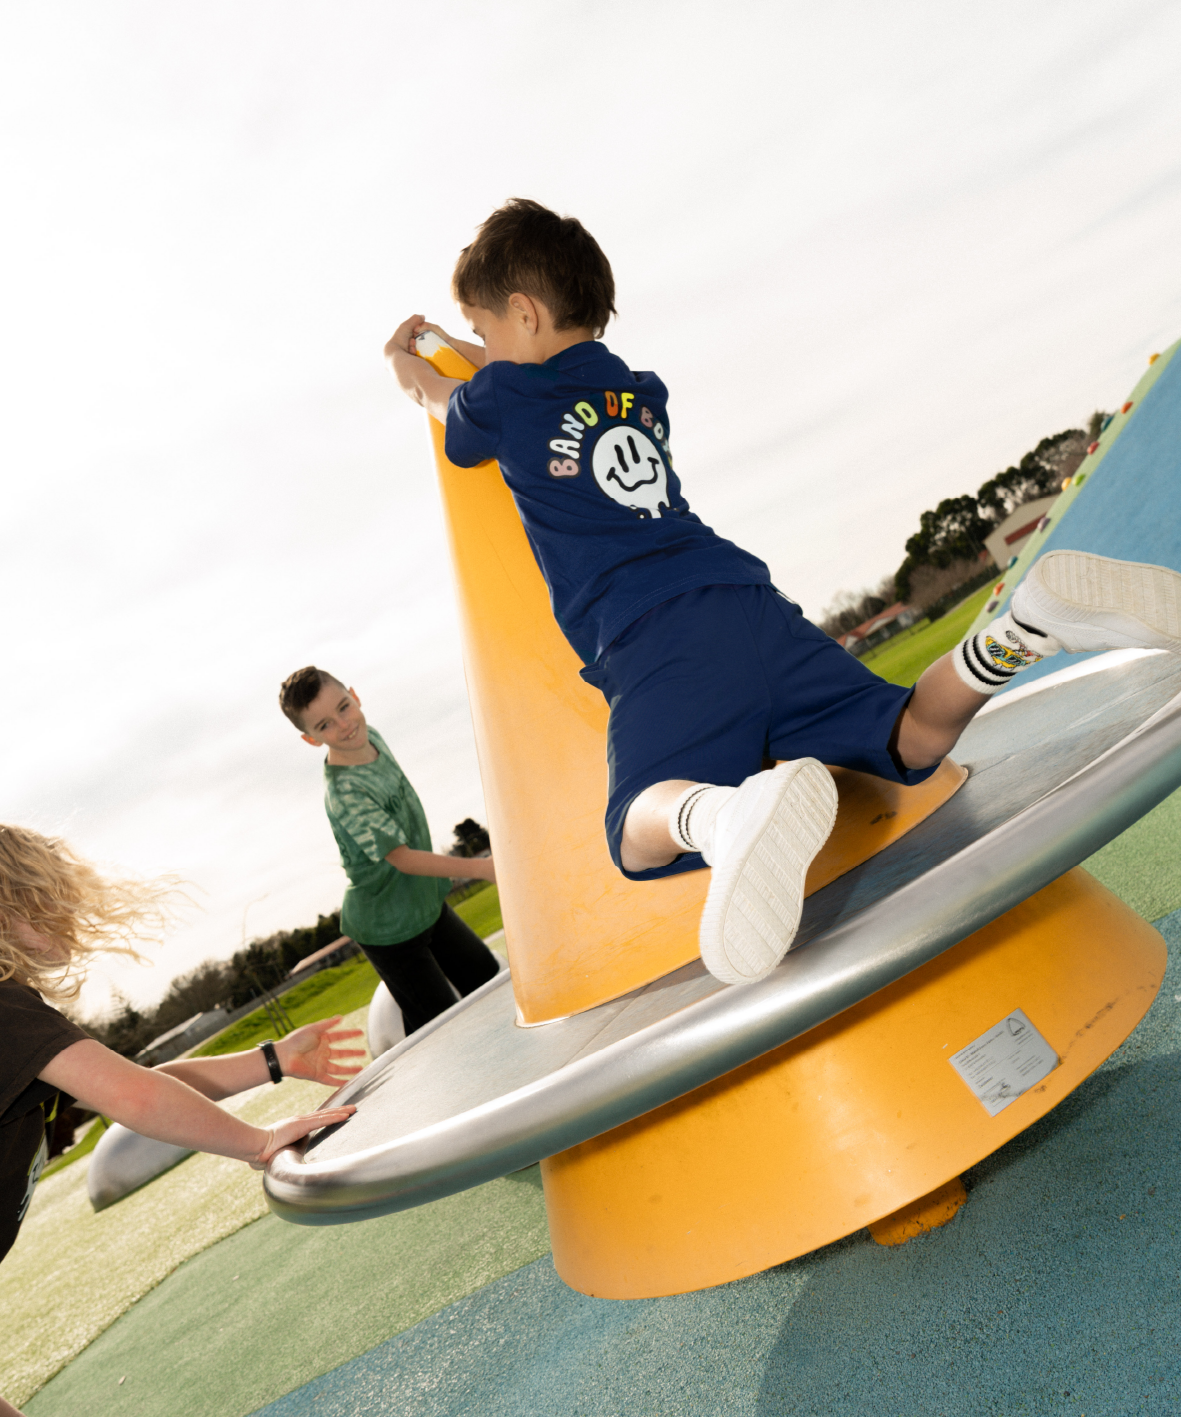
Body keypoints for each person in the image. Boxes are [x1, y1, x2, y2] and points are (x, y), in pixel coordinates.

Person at [382, 197, 1181, 990]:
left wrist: (410, 362)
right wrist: (469, 339)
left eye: (485, 330)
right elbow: (522, 368)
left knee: (633, 831)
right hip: (746, 601)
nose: (479, 348)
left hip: (652, 634)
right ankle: (1025, 627)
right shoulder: (633, 388)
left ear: (521, 313)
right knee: (910, 739)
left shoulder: (504, 401)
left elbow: (446, 399)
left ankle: (726, 817)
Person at [1, 825, 362, 1417]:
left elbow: (135, 1086)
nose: (67, 909)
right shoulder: (4, 1015)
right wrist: (258, 1140)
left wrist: (271, 1061)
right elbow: (135, 1098)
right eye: (48, 898)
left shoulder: (16, 1025)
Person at [278, 667, 500, 1035]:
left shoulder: (372, 737)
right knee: (445, 1029)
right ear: (311, 739)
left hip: (423, 903)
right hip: (388, 930)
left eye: (344, 708)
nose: (344, 725)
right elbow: (402, 857)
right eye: (325, 725)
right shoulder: (345, 793)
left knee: (486, 977)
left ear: (355, 695)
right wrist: (483, 868)